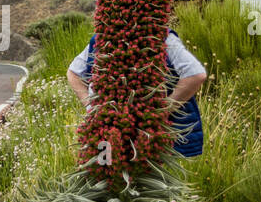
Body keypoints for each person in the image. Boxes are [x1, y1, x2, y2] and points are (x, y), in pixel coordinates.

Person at [66, 28, 207, 157]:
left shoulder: (163, 37)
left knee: (144, 177)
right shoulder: (99, 39)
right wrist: (91, 108)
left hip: (148, 137)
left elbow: (195, 75)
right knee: (107, 172)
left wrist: (162, 111)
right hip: (107, 134)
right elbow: (73, 73)